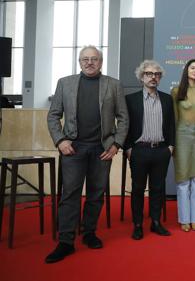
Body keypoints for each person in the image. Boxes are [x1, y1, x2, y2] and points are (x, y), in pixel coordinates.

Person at [45, 46, 129, 263]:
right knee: (70, 194)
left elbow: (124, 118)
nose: (89, 62)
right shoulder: (65, 83)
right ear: (79, 61)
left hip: (102, 149)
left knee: (96, 193)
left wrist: (117, 144)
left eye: (94, 59)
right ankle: (66, 241)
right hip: (73, 148)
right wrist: (60, 140)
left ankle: (89, 232)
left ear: (101, 62)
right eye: (85, 59)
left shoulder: (113, 84)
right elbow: (53, 115)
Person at [124, 60, 175, 240]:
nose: (153, 77)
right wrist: (128, 148)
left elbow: (171, 126)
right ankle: (137, 224)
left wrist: (170, 147)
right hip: (139, 151)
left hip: (161, 151)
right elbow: (125, 126)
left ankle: (155, 222)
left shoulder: (167, 99)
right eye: (148, 74)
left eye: (156, 74)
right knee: (137, 189)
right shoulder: (130, 100)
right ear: (141, 77)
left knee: (158, 189)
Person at [171, 59, 195, 232]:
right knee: (183, 180)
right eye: (192, 67)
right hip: (181, 137)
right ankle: (184, 219)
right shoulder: (176, 91)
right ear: (186, 70)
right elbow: (173, 118)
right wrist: (171, 142)